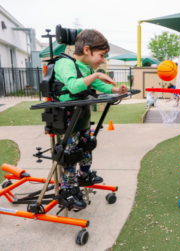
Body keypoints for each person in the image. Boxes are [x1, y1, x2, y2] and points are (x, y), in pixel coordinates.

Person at [54, 29, 128, 209]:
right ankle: (68, 189)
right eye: (101, 55)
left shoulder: (86, 68)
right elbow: (72, 86)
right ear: (87, 50)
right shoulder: (65, 63)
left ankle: (84, 175)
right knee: (71, 154)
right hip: (68, 116)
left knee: (87, 144)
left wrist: (116, 91)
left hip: (82, 114)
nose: (103, 60)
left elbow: (98, 84)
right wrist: (96, 74)